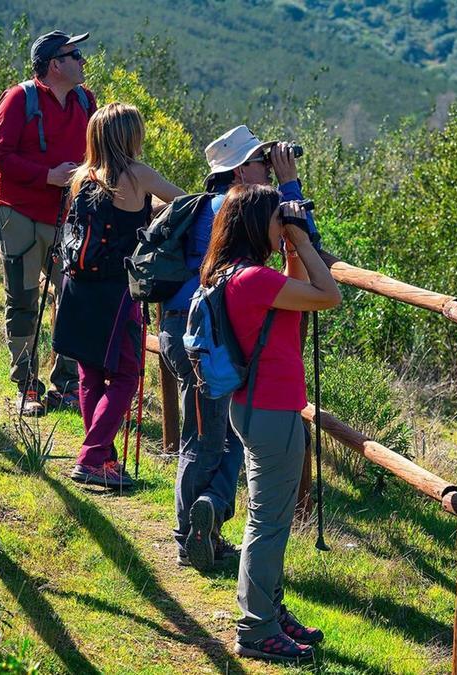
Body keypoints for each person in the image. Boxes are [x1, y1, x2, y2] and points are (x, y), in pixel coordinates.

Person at [159, 125, 317, 571]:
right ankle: (191, 532)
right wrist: (290, 188)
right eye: (260, 162)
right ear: (237, 172)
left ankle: (205, 516)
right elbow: (311, 248)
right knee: (208, 438)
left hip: (192, 328)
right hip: (208, 336)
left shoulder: (218, 207)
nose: (267, 167)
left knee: (221, 435)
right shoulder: (227, 209)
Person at [197, 184, 339, 663]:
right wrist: (301, 238)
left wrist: (291, 245)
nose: (284, 226)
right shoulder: (253, 280)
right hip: (271, 411)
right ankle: (257, 629)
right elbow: (328, 295)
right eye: (278, 220)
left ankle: (270, 611)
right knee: (269, 523)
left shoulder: (232, 275)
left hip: (257, 407)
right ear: (260, 224)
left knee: (267, 517)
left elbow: (296, 293)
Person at [52, 103, 184, 488]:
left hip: (77, 288)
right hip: (117, 293)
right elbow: (187, 202)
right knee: (126, 375)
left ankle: (104, 458)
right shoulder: (137, 173)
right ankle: (93, 458)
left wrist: (147, 206)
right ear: (130, 136)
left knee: (90, 375)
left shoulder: (81, 176)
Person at [0, 29, 96, 417]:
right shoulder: (19, 98)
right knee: (23, 297)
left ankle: (65, 385)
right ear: (55, 64)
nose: (83, 60)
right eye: (75, 54)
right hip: (17, 209)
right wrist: (47, 176)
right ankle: (26, 385)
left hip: (67, 215)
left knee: (73, 297)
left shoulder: (86, 101)